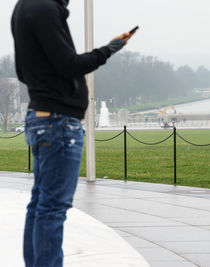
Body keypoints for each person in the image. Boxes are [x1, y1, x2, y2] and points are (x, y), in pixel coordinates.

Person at [11, 0, 132, 265]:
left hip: (43, 118)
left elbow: (23, 72)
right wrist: (109, 49)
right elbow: (69, 65)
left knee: (40, 205)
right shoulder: (45, 8)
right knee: (52, 208)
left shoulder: (24, 7)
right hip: (59, 122)